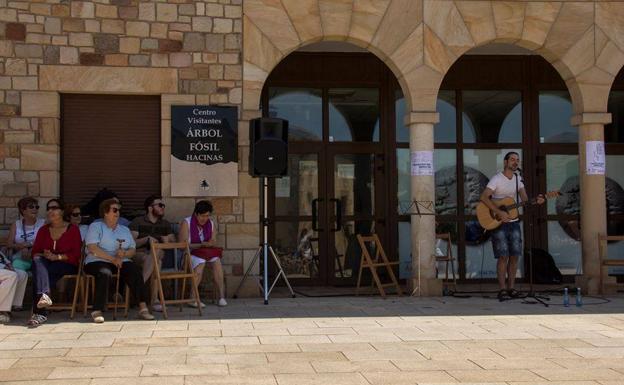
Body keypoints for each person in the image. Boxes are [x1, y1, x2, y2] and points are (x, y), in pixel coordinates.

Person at [479, 152, 544, 300]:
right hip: (499, 223)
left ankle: (512, 288)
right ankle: (502, 289)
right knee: (503, 256)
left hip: (514, 222)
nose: (515, 162)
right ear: (505, 162)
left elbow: (525, 200)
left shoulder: (517, 179)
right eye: (513, 159)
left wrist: (537, 200)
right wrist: (498, 212)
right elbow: (484, 197)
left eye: (517, 160)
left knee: (514, 255)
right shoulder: (497, 179)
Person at [84, 199, 154, 323]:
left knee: (135, 271)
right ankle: (97, 310)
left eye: (119, 210)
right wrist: (112, 259)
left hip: (121, 260)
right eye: (114, 210)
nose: (117, 213)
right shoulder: (96, 226)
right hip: (97, 260)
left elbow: (132, 249)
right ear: (105, 212)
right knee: (105, 273)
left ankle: (143, 308)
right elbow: (92, 247)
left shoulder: (124, 229)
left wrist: (125, 253)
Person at [28, 199, 82, 327]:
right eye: (48, 208)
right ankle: (44, 298)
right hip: (46, 263)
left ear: (62, 211)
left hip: (66, 264)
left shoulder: (72, 229)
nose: (51, 211)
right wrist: (46, 255)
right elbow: (35, 252)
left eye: (54, 208)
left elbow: (76, 255)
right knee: (37, 261)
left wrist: (57, 257)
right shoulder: (43, 230)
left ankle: (40, 311)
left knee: (39, 275)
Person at [129, 195, 176, 311]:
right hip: (140, 253)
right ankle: (154, 300)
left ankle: (137, 290)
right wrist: (146, 239)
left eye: (163, 205)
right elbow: (131, 243)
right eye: (160, 205)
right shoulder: (138, 221)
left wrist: (167, 241)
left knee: (157, 254)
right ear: (150, 208)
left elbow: (175, 243)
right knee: (157, 262)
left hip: (157, 253)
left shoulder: (165, 224)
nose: (162, 207)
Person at [178, 200, 227, 307]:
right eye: (202, 216)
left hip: (205, 251)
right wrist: (201, 245)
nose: (205, 219)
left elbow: (213, 240)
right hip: (189, 253)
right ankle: (192, 298)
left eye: (207, 216)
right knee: (201, 262)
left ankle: (221, 297)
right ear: (196, 214)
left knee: (217, 260)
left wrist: (209, 243)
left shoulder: (211, 223)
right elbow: (183, 244)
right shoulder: (187, 222)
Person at [6, 196, 45, 272]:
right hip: (21, 257)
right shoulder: (16, 224)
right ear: (23, 210)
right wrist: (22, 246)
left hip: (38, 257)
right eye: (31, 207)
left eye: (36, 207)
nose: (35, 209)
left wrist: (30, 246)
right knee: (16, 267)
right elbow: (9, 244)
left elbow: (45, 242)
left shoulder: (43, 223)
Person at [0, 252, 20, 323]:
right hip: (1, 268)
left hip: (3, 268)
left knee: (23, 275)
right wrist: (4, 267)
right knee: (12, 275)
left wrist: (10, 266)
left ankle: (13, 306)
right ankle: (2, 309)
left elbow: (4, 259)